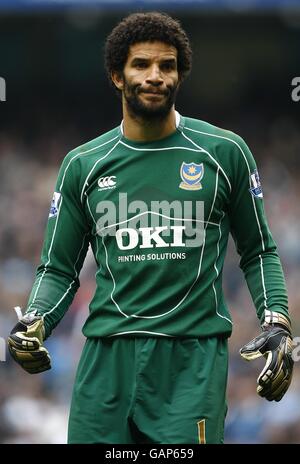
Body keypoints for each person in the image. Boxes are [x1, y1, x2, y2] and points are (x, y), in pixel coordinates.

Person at [7, 12, 293, 444]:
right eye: (141, 64)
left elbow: (259, 251)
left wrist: (277, 323)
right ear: (116, 76)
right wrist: (35, 320)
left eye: (167, 65)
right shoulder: (83, 164)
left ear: (181, 75)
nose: (155, 76)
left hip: (191, 361)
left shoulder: (224, 152)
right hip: (106, 360)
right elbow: (59, 268)